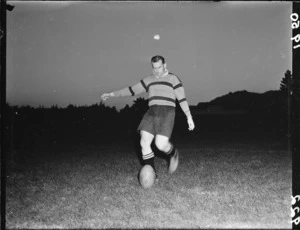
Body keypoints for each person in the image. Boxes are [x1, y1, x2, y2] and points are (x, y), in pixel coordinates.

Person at [101, 55, 195, 179]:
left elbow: (181, 98)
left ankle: (173, 153)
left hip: (167, 111)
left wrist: (189, 116)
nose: (156, 70)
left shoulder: (173, 79)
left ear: (165, 65)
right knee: (144, 142)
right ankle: (152, 174)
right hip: (151, 112)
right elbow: (131, 90)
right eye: (154, 68)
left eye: (159, 67)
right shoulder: (149, 79)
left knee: (160, 144)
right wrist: (111, 94)